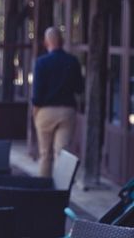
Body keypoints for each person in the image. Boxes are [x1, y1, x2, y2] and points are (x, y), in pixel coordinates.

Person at [32, 26, 84, 177]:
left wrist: (35, 112)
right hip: (67, 111)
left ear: (46, 42)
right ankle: (60, 193)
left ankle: (44, 193)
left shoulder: (41, 63)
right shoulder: (72, 61)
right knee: (62, 153)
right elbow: (79, 88)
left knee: (45, 154)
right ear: (61, 41)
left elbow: (37, 94)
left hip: (45, 112)